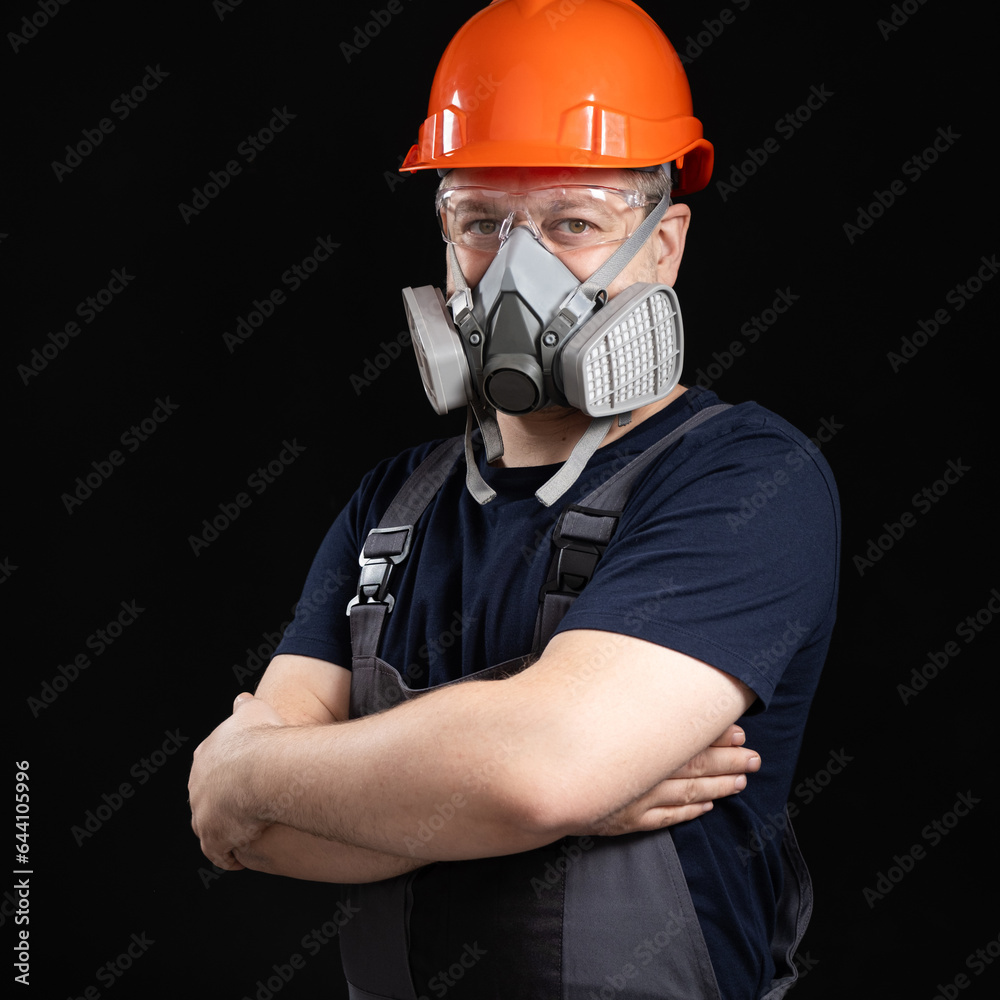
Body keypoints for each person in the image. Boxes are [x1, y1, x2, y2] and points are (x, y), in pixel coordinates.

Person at [188, 2, 840, 997]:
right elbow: (250, 836)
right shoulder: (388, 509)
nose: (516, 273)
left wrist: (251, 766)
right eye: (482, 223)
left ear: (662, 246)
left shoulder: (745, 479)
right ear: (443, 240)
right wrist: (519, 785)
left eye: (574, 224)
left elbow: (541, 772)